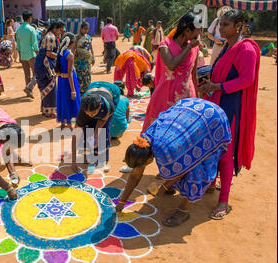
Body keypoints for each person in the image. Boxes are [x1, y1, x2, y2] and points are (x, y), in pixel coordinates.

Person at [116, 98, 231, 227]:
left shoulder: (167, 151)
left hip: (211, 118)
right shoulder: (143, 141)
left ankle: (183, 210)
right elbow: (135, 175)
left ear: (149, 160)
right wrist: (122, 201)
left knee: (195, 165)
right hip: (191, 107)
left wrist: (163, 187)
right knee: (176, 166)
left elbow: (182, 170)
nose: (137, 170)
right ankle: (173, 188)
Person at [199, 9, 260, 220]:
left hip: (232, 107)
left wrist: (217, 86)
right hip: (218, 102)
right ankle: (211, 183)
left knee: (225, 152)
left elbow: (246, 79)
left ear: (238, 27)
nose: (221, 28)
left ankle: (223, 200)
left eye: (225, 24)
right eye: (220, 24)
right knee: (214, 147)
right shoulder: (227, 46)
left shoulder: (246, 49)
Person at [142, 12, 201, 132]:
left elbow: (193, 75)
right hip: (165, 96)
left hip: (187, 97)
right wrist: (189, 48)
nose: (199, 35)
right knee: (160, 133)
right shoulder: (165, 45)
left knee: (183, 134)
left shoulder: (195, 47)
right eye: (198, 31)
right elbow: (172, 64)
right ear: (188, 31)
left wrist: (198, 99)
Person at [72, 81, 120, 173]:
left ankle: (103, 158)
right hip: (94, 87)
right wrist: (73, 161)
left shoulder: (108, 106)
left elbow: (103, 119)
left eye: (93, 113)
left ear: (100, 105)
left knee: (104, 130)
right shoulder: (83, 110)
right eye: (88, 114)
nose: (90, 116)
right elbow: (75, 135)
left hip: (112, 91)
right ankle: (87, 153)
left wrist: (96, 135)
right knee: (87, 127)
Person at [34, 20, 64, 117]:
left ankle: (45, 109)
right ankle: (49, 111)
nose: (61, 32)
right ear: (54, 28)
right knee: (50, 87)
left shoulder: (48, 35)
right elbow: (48, 53)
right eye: (60, 30)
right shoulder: (51, 37)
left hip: (41, 64)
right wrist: (60, 57)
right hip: (46, 65)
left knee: (45, 87)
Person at [56, 33, 80, 128]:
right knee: (70, 100)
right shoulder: (70, 55)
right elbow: (70, 73)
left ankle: (63, 122)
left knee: (63, 99)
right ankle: (70, 124)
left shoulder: (61, 53)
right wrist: (73, 90)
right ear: (72, 43)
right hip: (69, 81)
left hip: (61, 80)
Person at [17, 10, 40, 98]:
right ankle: (29, 88)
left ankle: (28, 90)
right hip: (31, 54)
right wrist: (38, 54)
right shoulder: (31, 29)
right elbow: (34, 44)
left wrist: (19, 56)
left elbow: (18, 45)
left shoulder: (19, 29)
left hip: (23, 54)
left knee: (27, 74)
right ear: (30, 18)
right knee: (37, 73)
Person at [75, 22, 95, 95]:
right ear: (81, 28)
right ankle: (79, 92)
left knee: (87, 75)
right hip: (79, 61)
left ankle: (86, 90)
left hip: (87, 61)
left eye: (87, 29)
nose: (86, 30)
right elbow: (74, 49)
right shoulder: (77, 37)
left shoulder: (89, 37)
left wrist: (93, 57)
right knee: (79, 76)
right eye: (85, 29)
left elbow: (91, 48)